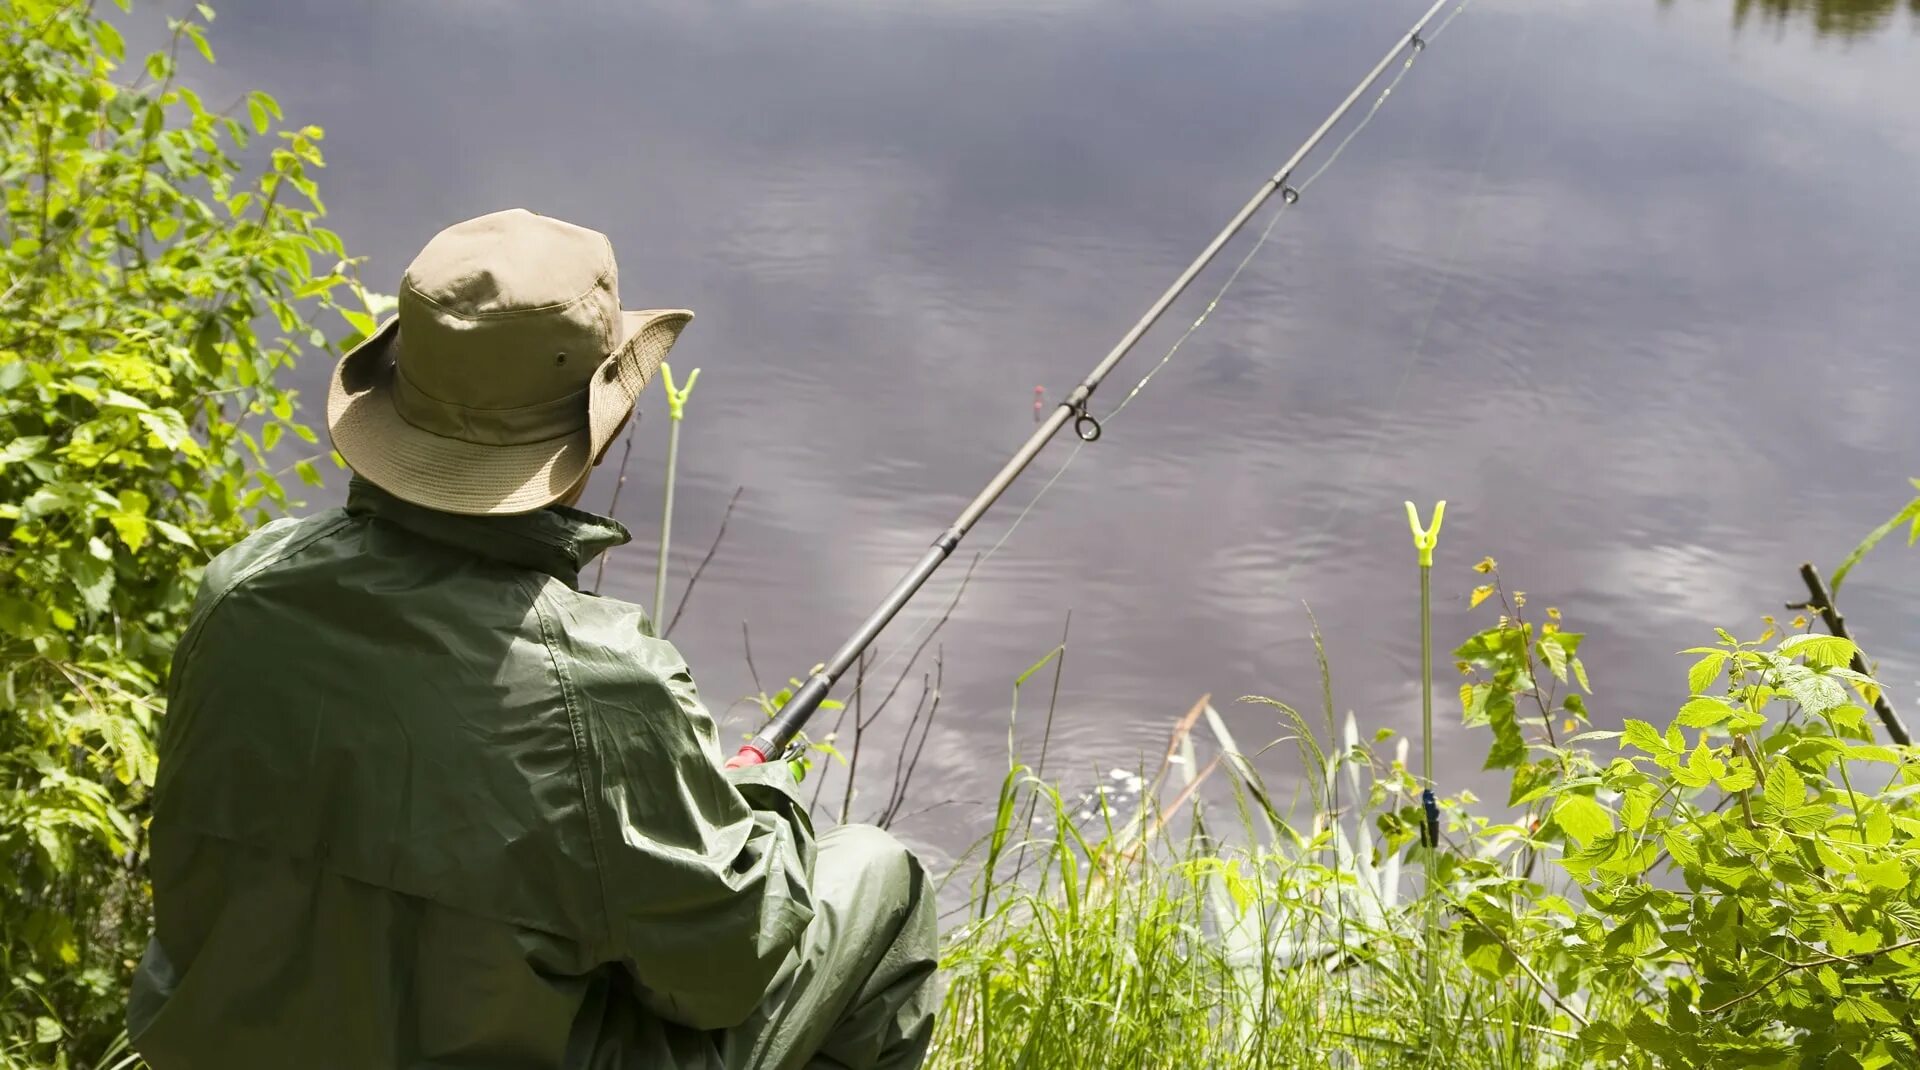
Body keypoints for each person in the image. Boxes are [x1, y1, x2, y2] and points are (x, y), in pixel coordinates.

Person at [127, 209, 939, 1069]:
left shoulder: (239, 592)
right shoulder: (604, 684)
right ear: (591, 433)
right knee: (879, 879)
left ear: (396, 400)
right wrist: (757, 803)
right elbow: (723, 975)